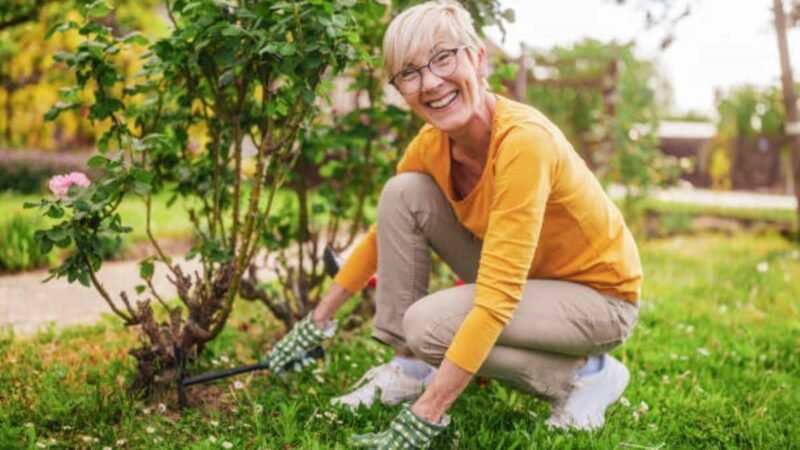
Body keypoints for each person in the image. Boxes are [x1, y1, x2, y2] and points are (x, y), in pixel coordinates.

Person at [264, 1, 642, 447]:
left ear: (478, 58)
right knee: (402, 192)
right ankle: (407, 368)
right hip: (532, 279)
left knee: (426, 325)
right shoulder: (432, 145)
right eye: (409, 73)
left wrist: (429, 413)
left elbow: (499, 297)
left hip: (598, 297)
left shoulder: (523, 143)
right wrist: (316, 322)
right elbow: (379, 235)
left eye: (444, 58)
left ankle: (584, 376)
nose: (430, 83)